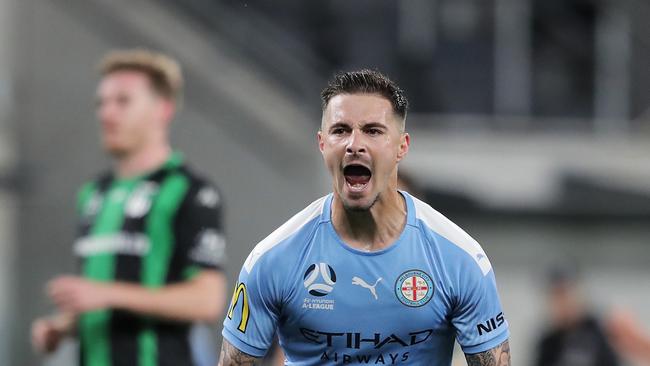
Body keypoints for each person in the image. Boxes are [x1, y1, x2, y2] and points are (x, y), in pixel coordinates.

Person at [219, 70, 510, 365]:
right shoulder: (272, 260)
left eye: (372, 130)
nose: (354, 144)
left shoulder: (459, 258)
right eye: (340, 130)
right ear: (322, 144)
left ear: (402, 147)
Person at [31, 49, 228, 366]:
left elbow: (207, 300)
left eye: (122, 101)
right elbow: (98, 300)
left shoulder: (190, 191)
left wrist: (107, 294)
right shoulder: (93, 194)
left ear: (162, 109)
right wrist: (62, 327)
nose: (106, 113)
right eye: (102, 103)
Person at [534, 264, 619, 366]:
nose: (560, 302)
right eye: (554, 295)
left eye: (564, 293)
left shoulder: (603, 331)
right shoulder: (547, 343)